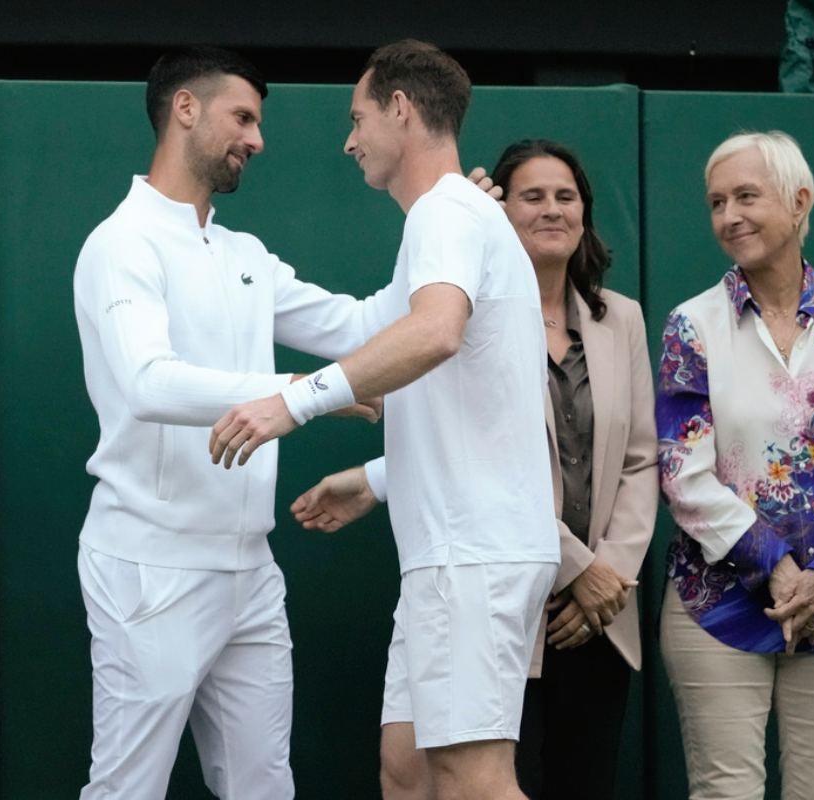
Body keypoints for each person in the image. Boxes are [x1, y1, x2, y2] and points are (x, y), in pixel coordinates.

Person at [208, 40, 559, 800]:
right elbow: (375, 328)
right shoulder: (449, 219)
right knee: (407, 771)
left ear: (401, 110)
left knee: (474, 782)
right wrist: (377, 480)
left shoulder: (445, 212)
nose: (350, 138)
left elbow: (432, 333)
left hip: (471, 556)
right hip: (450, 554)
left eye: (358, 117)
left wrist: (292, 404)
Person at [292, 139, 659, 798]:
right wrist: (574, 563)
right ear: (499, 212)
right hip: (521, 583)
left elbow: (638, 459)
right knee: (428, 774)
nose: (552, 210)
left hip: (601, 608)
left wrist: (610, 576)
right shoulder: (468, 299)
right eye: (532, 196)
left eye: (566, 196)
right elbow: (471, 435)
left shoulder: (621, 320)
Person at [72, 46, 386, 799]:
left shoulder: (243, 253)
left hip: (251, 567)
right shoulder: (121, 244)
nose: (257, 138)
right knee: (127, 790)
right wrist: (303, 391)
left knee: (263, 787)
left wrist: (459, 219)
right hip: (150, 565)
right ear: (186, 109)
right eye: (242, 117)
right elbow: (148, 383)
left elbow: (362, 324)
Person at [657, 130, 814, 800]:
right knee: (725, 792)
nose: (729, 216)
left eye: (746, 196)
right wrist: (777, 566)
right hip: (716, 601)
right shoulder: (692, 326)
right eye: (717, 202)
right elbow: (681, 470)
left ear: (799, 199)